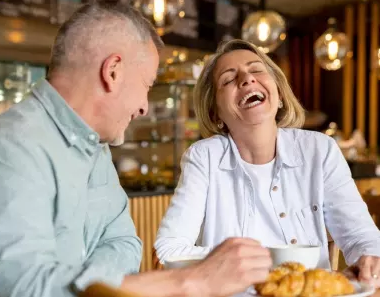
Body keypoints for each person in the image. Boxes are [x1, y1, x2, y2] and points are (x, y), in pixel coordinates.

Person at [0, 1, 272, 297]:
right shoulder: (8, 144)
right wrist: (190, 282)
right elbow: (21, 287)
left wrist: (81, 283)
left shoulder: (96, 148)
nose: (145, 107)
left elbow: (125, 243)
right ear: (113, 71)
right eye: (147, 85)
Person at [154, 39, 380, 288]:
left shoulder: (319, 150)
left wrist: (370, 259)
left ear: (280, 94)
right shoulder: (203, 158)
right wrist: (239, 262)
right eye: (229, 79)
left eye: (257, 69)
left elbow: (360, 236)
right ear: (215, 114)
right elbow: (169, 249)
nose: (247, 79)